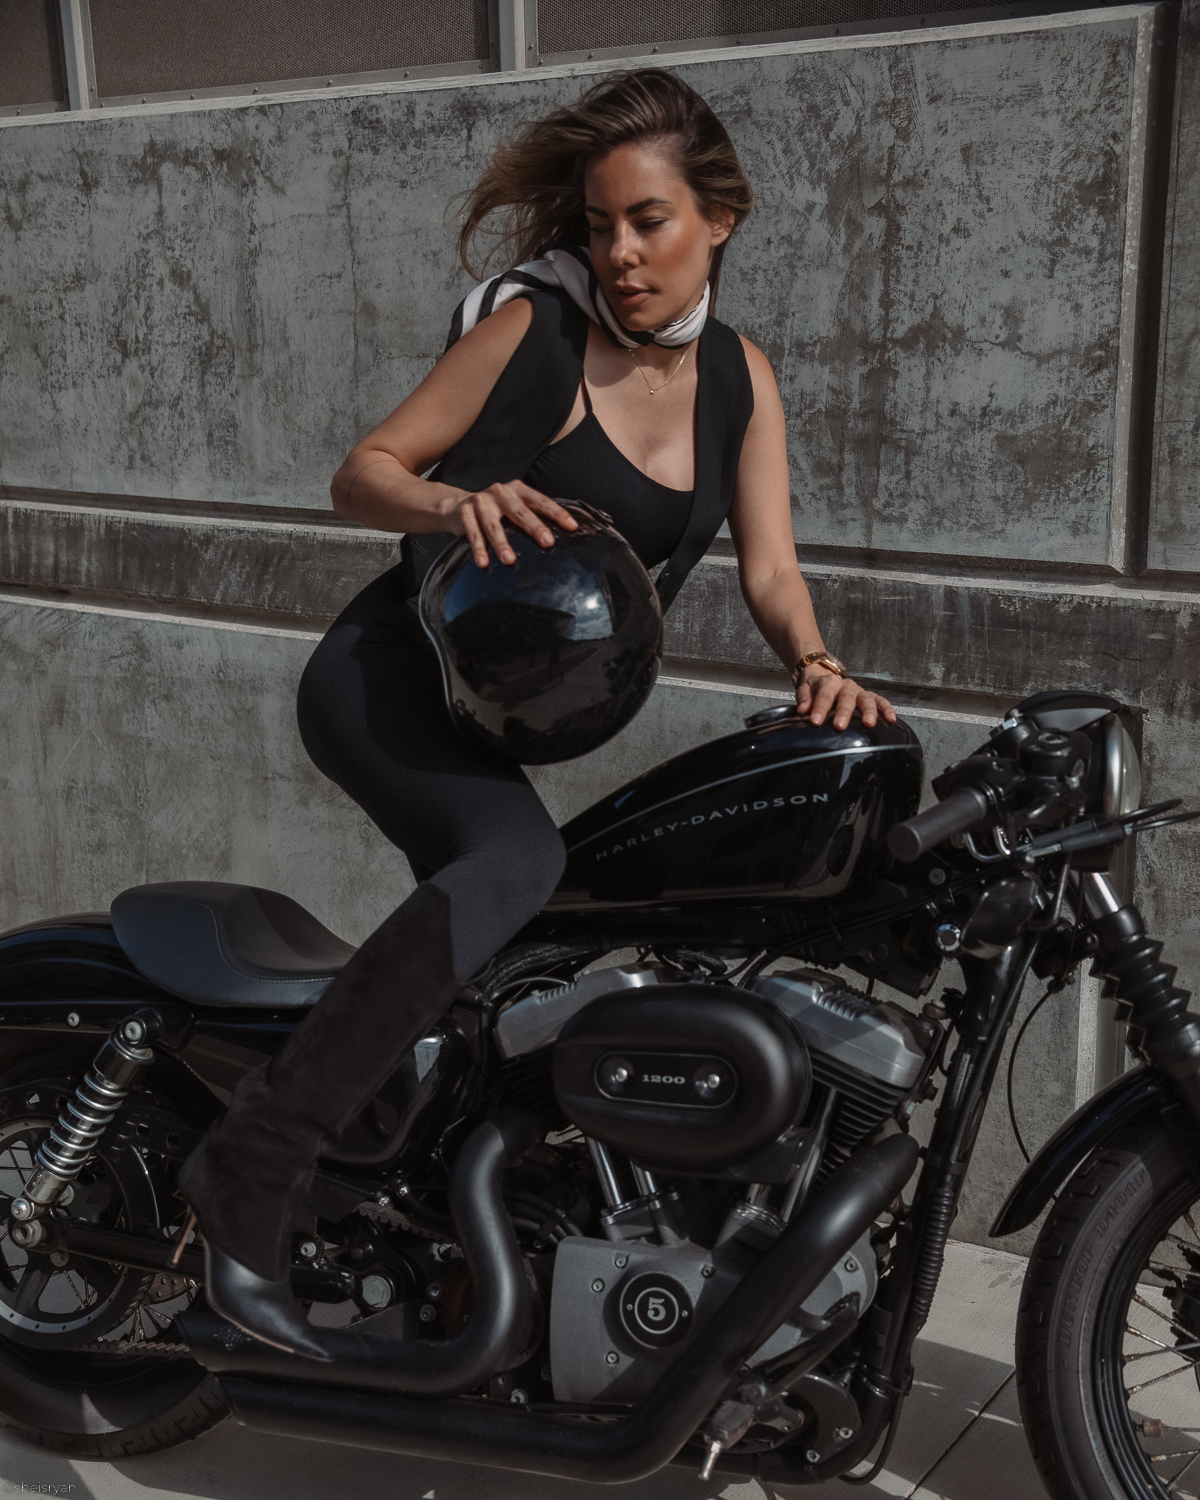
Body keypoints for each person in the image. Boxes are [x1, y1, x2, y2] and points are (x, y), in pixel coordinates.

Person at [178, 67, 897, 1359]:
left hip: (521, 716)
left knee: (555, 942)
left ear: (719, 217)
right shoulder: (536, 336)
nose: (619, 254)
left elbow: (776, 571)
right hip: (391, 680)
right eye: (602, 224)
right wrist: (459, 503)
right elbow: (363, 474)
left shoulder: (741, 379)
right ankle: (246, 1181)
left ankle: (452, 1217)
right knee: (517, 859)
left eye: (650, 221)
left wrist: (817, 663)